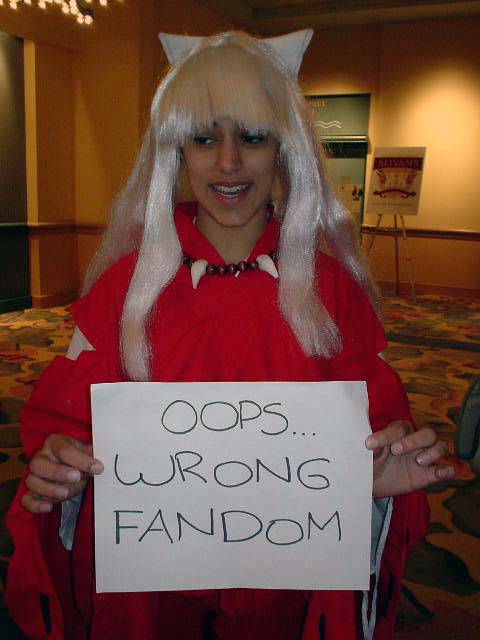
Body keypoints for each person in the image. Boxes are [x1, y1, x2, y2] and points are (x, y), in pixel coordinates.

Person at [6, 30, 453, 640]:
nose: (228, 162)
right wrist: (59, 465)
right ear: (178, 153)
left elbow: (378, 437)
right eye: (203, 138)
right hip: (151, 594)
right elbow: (64, 427)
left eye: (252, 136)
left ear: (283, 150)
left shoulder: (332, 295)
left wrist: (375, 482)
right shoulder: (123, 292)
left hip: (288, 588)